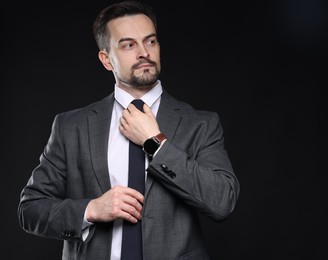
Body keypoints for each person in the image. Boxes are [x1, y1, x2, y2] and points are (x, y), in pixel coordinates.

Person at [17, 1, 240, 260]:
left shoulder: (200, 124)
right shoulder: (71, 126)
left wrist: (155, 142)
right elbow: (30, 209)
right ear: (106, 59)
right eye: (128, 45)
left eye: (151, 41)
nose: (144, 52)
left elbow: (223, 201)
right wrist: (91, 209)